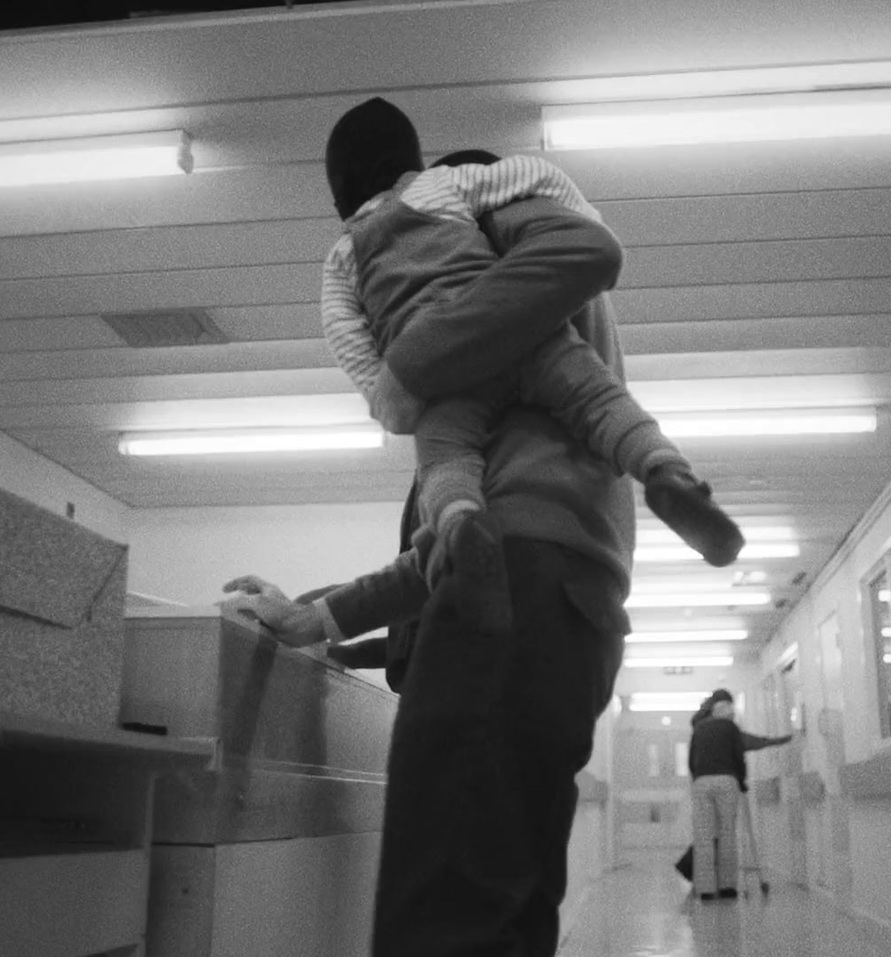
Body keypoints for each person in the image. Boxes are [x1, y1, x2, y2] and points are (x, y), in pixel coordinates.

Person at [224, 96, 649, 957]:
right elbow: (460, 551)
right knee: (508, 914)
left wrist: (406, 372)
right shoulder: (549, 426)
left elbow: (584, 252)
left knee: (441, 925)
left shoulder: (498, 232)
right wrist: (323, 620)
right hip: (571, 614)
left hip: (512, 613)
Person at [318, 97, 744, 579]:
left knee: (446, 461)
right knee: (601, 401)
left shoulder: (345, 257)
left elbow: (345, 336)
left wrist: (389, 384)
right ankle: (667, 472)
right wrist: (583, 211)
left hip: (474, 438)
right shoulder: (454, 192)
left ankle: (461, 528)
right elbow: (535, 176)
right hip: (535, 367)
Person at [686, 689, 792, 901]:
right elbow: (738, 756)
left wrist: (698, 778)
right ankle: (727, 887)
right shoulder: (730, 728)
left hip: (701, 781)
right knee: (727, 834)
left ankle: (705, 889)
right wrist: (741, 780)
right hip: (727, 780)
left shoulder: (698, 728)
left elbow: (691, 759)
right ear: (730, 711)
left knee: (704, 836)